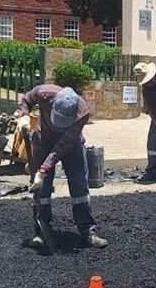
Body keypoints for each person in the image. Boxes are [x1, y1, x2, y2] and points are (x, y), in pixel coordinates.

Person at [17, 85, 107, 248]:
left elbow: (61, 147)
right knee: (42, 190)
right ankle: (41, 232)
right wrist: (23, 114)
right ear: (53, 104)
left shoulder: (82, 112)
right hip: (44, 141)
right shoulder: (44, 93)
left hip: (71, 145)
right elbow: (26, 99)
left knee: (79, 186)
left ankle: (88, 232)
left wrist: (43, 170)